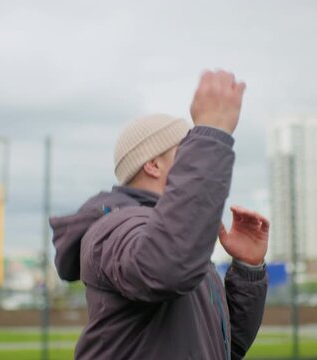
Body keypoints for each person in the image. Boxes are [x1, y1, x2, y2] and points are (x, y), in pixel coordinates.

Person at [50, 69, 269, 360]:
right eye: (187, 150)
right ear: (153, 165)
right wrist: (211, 135)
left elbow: (221, 346)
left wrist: (247, 268)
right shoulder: (114, 228)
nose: (194, 156)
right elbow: (166, 266)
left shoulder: (172, 242)